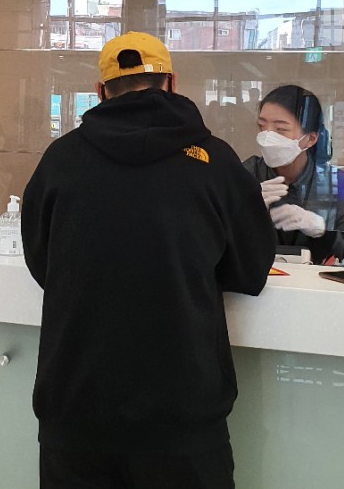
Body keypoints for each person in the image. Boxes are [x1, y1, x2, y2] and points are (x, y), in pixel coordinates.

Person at [21, 31, 276, 489]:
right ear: (172, 83)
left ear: (100, 92)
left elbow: (43, 263)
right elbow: (250, 269)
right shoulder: (215, 162)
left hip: (76, 414)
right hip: (182, 418)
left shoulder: (60, 161)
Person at [242, 84, 344, 267]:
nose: (267, 137)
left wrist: (324, 233)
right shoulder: (246, 174)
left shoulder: (334, 183)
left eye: (280, 129)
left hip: (313, 283)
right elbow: (216, 246)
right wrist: (243, 212)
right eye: (262, 126)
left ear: (310, 139)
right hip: (256, 281)